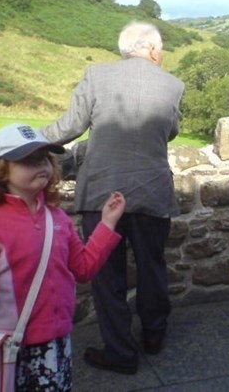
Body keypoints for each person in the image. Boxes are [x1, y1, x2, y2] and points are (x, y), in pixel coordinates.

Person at [0, 123, 126, 391]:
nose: (41, 165)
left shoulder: (57, 218)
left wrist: (106, 224)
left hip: (57, 342)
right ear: (1, 171)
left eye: (45, 158)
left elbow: (83, 269)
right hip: (13, 346)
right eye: (28, 160)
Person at [41, 21, 185, 374]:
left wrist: (25, 140)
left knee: (107, 275)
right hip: (152, 191)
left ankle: (120, 352)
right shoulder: (174, 85)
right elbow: (171, 130)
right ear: (152, 50)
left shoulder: (96, 75)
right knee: (152, 266)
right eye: (161, 48)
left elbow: (70, 127)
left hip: (102, 191)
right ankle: (154, 336)